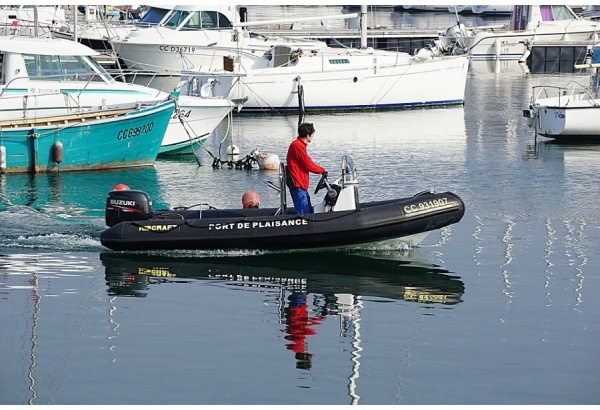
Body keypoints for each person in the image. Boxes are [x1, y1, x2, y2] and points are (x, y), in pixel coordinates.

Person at [286, 122, 327, 214]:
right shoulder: (298, 146)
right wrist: (322, 170)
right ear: (308, 135)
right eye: (312, 135)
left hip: (301, 185)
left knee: (307, 209)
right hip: (298, 185)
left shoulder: (298, 145)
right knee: (304, 213)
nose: (313, 137)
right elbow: (308, 164)